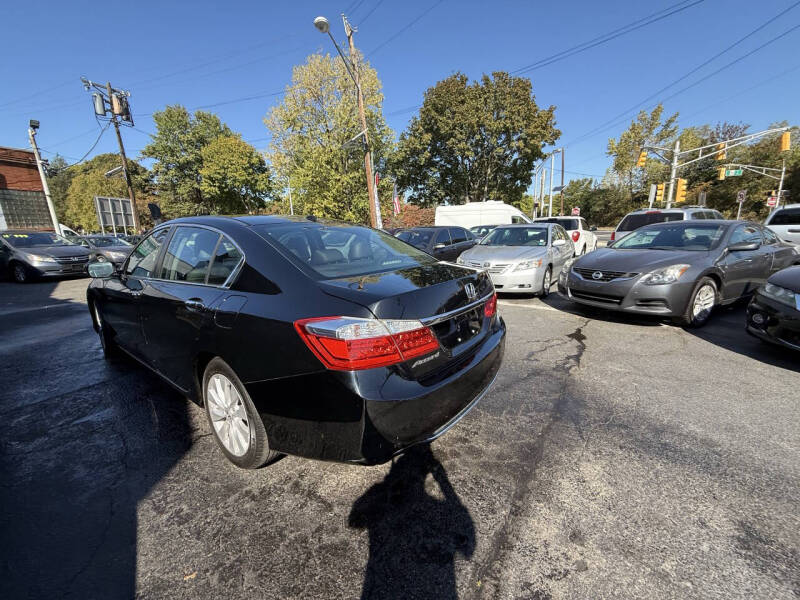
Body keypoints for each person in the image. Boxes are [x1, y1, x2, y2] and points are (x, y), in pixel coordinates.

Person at [349, 444, 475, 600]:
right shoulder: (435, 511)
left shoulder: (379, 494)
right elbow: (467, 549)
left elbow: (354, 520)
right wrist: (442, 480)